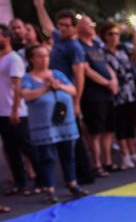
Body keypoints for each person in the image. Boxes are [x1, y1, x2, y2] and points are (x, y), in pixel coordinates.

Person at [20, 44, 87, 202]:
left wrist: (59, 86)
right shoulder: (28, 78)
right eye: (40, 56)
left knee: (68, 154)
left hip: (65, 122)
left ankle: (72, 183)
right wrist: (45, 88)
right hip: (44, 126)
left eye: (46, 56)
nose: (44, 59)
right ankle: (49, 188)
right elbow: (26, 95)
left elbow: (73, 90)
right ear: (31, 59)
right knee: (47, 157)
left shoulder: (57, 74)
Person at [99, 22, 136, 171]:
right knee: (121, 123)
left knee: (131, 121)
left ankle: (133, 151)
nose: (114, 37)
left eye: (116, 34)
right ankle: (125, 154)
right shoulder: (102, 53)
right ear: (104, 36)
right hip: (117, 91)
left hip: (130, 90)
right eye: (110, 34)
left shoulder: (124, 49)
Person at [77, 15, 117, 176]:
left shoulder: (95, 44)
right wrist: (106, 82)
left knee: (108, 129)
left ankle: (108, 161)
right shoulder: (79, 46)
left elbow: (106, 64)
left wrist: (113, 79)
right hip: (92, 94)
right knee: (95, 132)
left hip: (106, 93)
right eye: (87, 24)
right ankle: (97, 164)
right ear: (79, 27)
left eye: (92, 23)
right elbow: (86, 70)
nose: (91, 26)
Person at [0, 24, 34, 197]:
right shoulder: (1, 59)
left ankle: (43, 180)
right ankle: (20, 183)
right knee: (11, 150)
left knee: (27, 148)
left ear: (6, 38)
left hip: (15, 112)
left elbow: (17, 87)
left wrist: (14, 110)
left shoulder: (14, 59)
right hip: (2, 112)